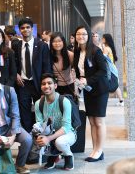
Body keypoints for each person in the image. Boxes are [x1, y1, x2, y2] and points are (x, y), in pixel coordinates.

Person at [73, 26, 109, 162]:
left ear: (88, 36)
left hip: (100, 90)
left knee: (99, 121)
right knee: (92, 121)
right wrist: (78, 85)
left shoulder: (95, 51)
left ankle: (99, 150)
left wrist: (87, 80)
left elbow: (103, 71)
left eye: (83, 34)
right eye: (78, 34)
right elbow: (79, 72)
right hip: (88, 90)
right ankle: (95, 149)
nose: (81, 36)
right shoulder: (77, 51)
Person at [12, 17, 51, 132]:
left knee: (42, 110)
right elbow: (13, 64)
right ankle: (29, 136)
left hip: (38, 83)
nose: (25, 30)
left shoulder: (42, 46)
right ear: (19, 30)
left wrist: (45, 87)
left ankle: (42, 137)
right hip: (23, 84)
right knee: (24, 112)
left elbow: (46, 67)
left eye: (28, 27)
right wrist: (16, 74)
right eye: (22, 28)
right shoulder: (16, 46)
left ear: (32, 29)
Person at [34, 73, 76, 170]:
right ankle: (53, 156)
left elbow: (66, 127)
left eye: (49, 83)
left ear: (55, 86)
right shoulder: (38, 104)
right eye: (43, 84)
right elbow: (40, 124)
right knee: (34, 139)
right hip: (49, 132)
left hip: (68, 133)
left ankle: (68, 156)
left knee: (60, 142)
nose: (46, 86)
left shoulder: (64, 101)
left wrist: (48, 139)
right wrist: (39, 136)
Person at [50, 32, 75, 98]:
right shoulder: (48, 56)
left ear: (63, 42)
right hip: (55, 87)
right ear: (51, 43)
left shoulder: (70, 55)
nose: (57, 44)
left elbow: (73, 68)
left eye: (59, 41)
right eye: (54, 41)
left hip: (69, 85)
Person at [102, 33, 124, 107]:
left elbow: (103, 58)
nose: (102, 39)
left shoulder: (106, 48)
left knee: (112, 84)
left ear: (106, 39)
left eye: (103, 38)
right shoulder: (110, 48)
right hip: (112, 68)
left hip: (109, 69)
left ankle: (120, 100)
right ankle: (121, 100)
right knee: (115, 84)